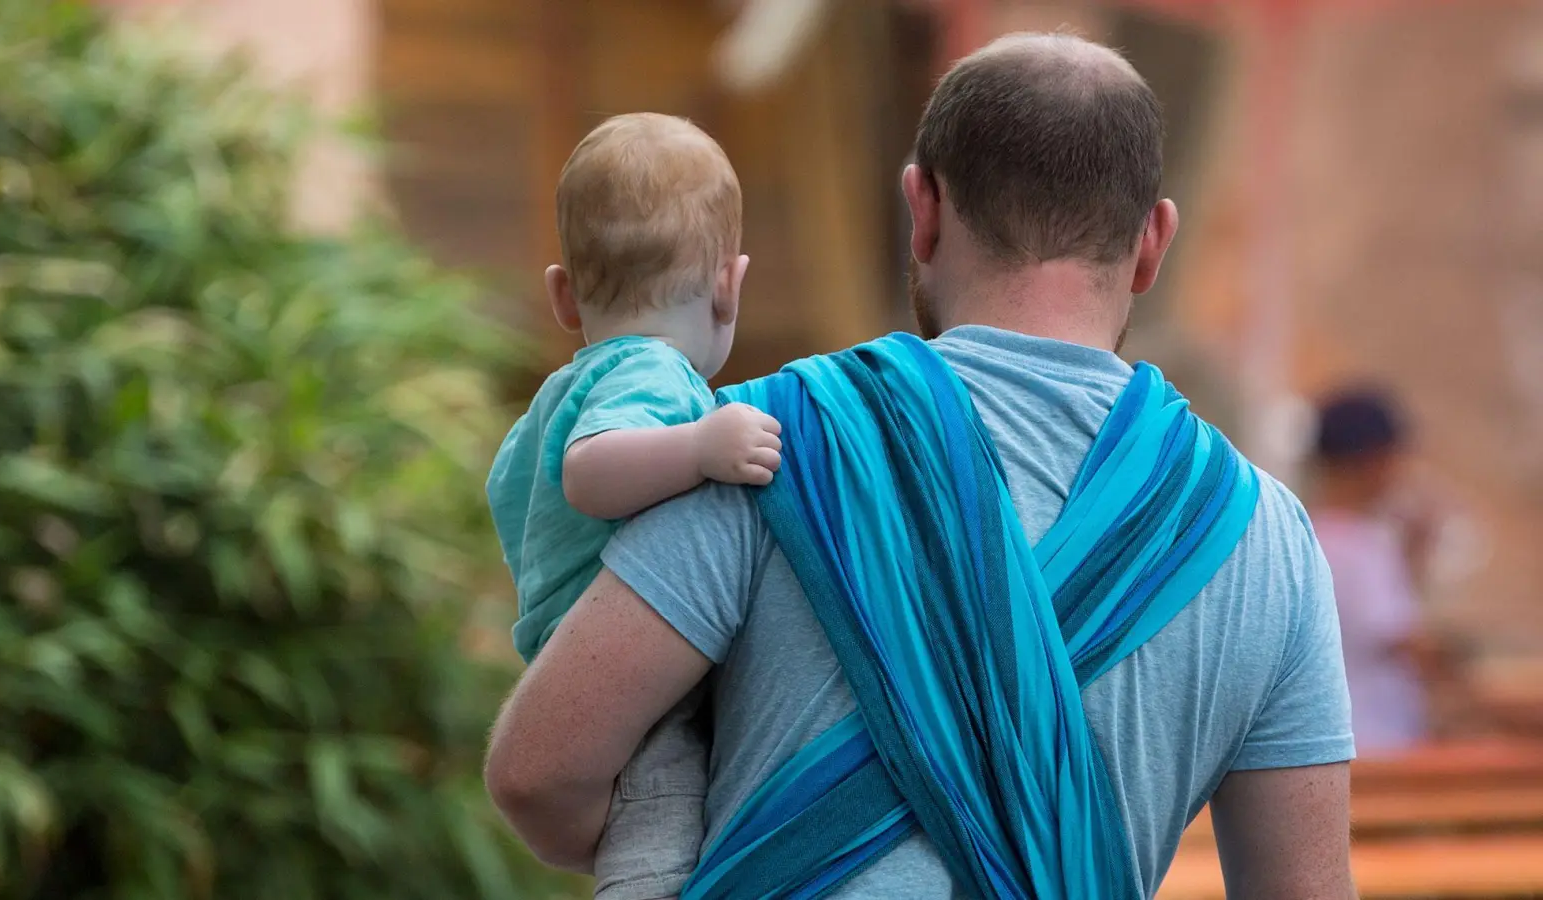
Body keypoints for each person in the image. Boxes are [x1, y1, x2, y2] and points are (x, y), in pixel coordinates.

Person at [487, 34, 1357, 899]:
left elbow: (540, 770)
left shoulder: (766, 439)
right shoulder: (1264, 534)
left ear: (923, 208)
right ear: (1153, 241)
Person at [484, 112, 783, 900]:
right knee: (661, 826)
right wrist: (698, 450)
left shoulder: (568, 388)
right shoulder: (648, 375)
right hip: (635, 681)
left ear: (562, 296)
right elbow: (589, 474)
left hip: (579, 656)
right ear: (729, 283)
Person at [1310, 388, 1448, 754]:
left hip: (1333, 739)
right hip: (1379, 745)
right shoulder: (1362, 546)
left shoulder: (1310, 535)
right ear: (1373, 460)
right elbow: (1406, 642)